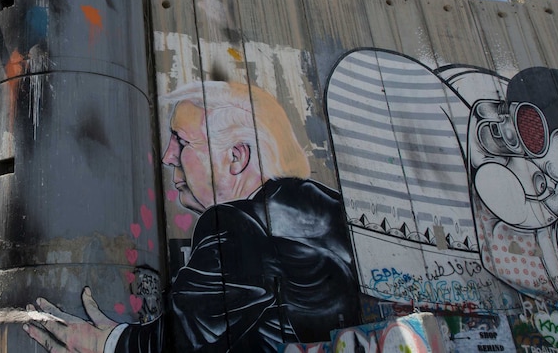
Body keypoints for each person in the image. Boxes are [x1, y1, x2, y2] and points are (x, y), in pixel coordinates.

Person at [24, 81, 359, 352]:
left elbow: (181, 339)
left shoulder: (236, 225)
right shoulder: (325, 205)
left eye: (181, 141)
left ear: (236, 157)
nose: (169, 156)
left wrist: (104, 343)